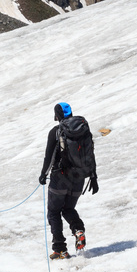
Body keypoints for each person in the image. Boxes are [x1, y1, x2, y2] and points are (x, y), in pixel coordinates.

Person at [39, 103, 98, 259]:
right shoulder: (83, 129)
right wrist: (93, 176)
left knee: (53, 212)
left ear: (57, 115)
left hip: (60, 178)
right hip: (79, 178)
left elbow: (48, 156)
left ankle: (60, 249)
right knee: (68, 209)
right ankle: (78, 230)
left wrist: (43, 174)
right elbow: (90, 153)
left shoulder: (56, 132)